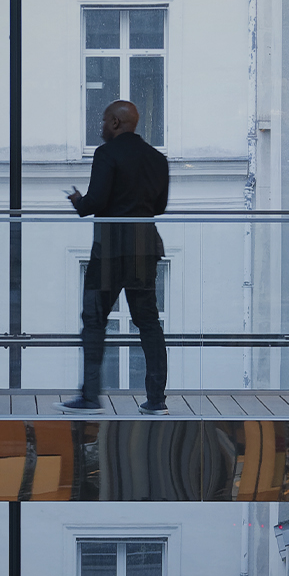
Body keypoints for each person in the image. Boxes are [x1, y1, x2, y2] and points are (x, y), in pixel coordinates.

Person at [60, 99, 170, 414]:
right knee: (148, 322)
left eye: (104, 120)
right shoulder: (156, 159)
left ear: (117, 123)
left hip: (109, 251)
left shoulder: (106, 154)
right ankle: (156, 399)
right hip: (144, 248)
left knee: (94, 320)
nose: (101, 126)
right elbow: (159, 207)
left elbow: (94, 202)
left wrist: (78, 200)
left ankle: (91, 396)